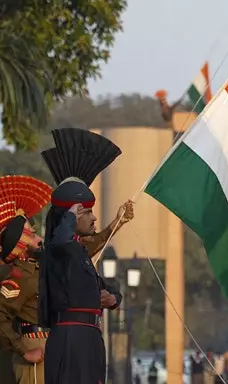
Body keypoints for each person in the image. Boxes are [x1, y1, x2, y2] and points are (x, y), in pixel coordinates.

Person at [38, 127, 124, 384]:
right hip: (70, 337)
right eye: (86, 212)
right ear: (71, 215)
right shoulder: (59, 248)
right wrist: (69, 214)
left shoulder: (79, 251)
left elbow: (105, 288)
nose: (93, 217)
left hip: (88, 336)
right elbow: (60, 241)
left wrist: (113, 299)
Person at [0, 176, 52, 384]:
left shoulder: (38, 268)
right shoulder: (16, 275)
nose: (39, 239)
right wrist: (23, 351)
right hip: (29, 347)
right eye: (31, 235)